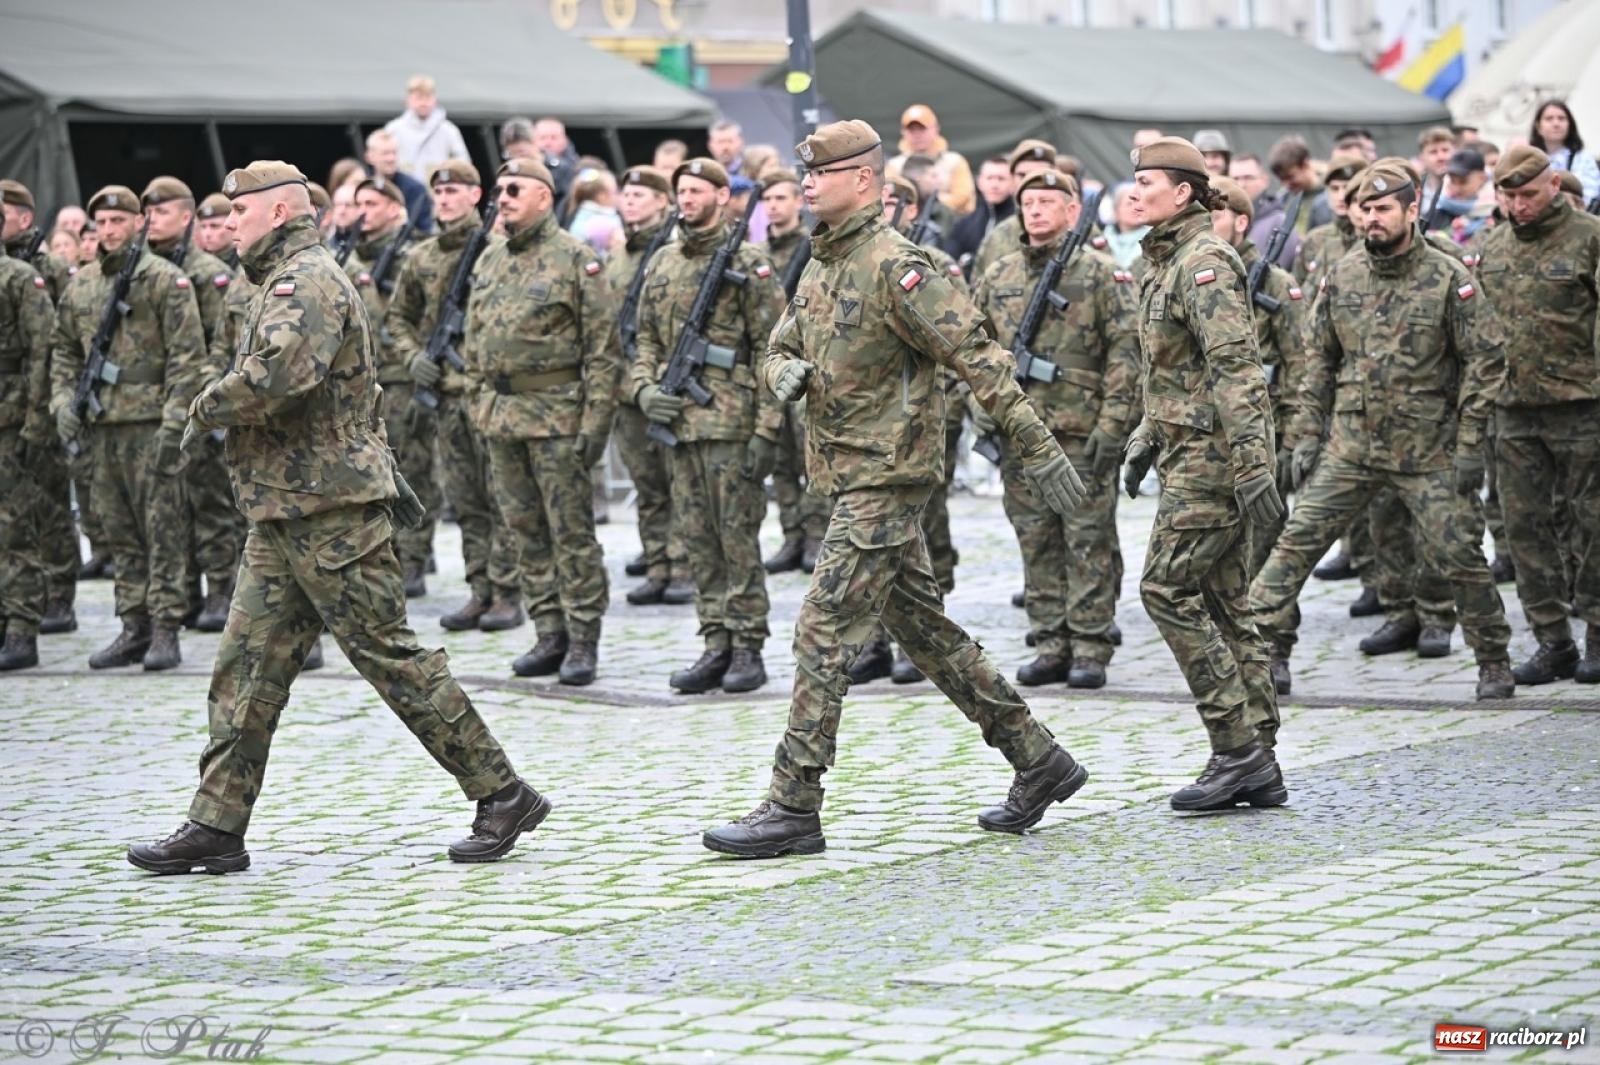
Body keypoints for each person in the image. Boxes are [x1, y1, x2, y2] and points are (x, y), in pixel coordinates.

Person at [124, 160, 547, 874]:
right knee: (245, 667)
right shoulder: (275, 280)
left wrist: (204, 405)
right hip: (283, 509)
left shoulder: (307, 281)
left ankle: (503, 792)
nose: (229, 223)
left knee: (391, 658)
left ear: (280, 211)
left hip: (331, 512)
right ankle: (216, 823)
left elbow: (277, 378)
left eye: (240, 211)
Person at [702, 119, 1091, 858]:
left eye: (820, 173)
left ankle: (793, 803)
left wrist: (1037, 445)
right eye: (804, 173)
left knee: (822, 626)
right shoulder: (820, 263)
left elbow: (977, 355)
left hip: (888, 475)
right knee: (924, 631)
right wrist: (780, 371)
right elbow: (779, 345)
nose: (806, 184)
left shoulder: (897, 264)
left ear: (863, 181)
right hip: (844, 473)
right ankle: (1039, 758)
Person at [1249, 160, 1517, 703]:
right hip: (1352, 446)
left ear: (1411, 209)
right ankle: (1267, 654)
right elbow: (1318, 361)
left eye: (1383, 208)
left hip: (1428, 449)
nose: (1371, 218)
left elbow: (1486, 360)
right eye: (1365, 209)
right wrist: (1306, 434)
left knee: (1460, 555)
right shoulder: (1343, 274)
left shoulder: (1448, 278)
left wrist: (1470, 443)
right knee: (1294, 546)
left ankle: (1493, 659)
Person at [1119, 137, 1285, 811]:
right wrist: (1144, 436)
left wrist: (1253, 463)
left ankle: (1237, 747)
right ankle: (1258, 756)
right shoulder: (1164, 261)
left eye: (1147, 183)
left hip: (1212, 461)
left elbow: (1236, 369)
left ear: (1183, 192)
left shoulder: (1204, 261)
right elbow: (1173, 373)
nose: (1135, 193)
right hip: (1185, 450)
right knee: (1223, 601)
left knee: (1164, 588)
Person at [973, 169, 1139, 690]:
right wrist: (980, 406)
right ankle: (1050, 642)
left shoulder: (1102, 274)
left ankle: (1090, 645)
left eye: (1048, 201)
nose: (1036, 210)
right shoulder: (998, 274)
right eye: (1029, 203)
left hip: (1080, 433)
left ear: (1072, 211)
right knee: (1036, 539)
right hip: (1021, 432)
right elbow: (971, 349)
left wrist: (1114, 424)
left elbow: (1127, 355)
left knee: (1088, 539)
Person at [631, 158, 783, 695]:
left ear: (722, 196)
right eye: (682, 190)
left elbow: (774, 349)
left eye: (698, 190)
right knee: (696, 537)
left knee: (736, 537)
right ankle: (715, 639)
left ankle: (747, 646)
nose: (688, 198)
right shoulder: (663, 260)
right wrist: (643, 389)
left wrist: (767, 429)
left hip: (731, 423)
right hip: (680, 422)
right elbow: (644, 338)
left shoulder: (750, 262)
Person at [465, 157, 618, 686]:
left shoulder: (576, 259)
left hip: (557, 418)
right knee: (524, 531)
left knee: (570, 532)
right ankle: (549, 629)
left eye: (514, 189)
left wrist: (594, 426)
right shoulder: (490, 258)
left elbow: (603, 351)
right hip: (501, 418)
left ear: (543, 197)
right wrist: (476, 399)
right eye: (499, 189)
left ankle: (583, 635)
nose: (502, 198)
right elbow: (474, 339)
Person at [50, 185, 207, 673]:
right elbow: (64, 351)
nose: (109, 230)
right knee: (117, 532)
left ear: (139, 222)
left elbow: (188, 360)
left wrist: (175, 423)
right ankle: (133, 624)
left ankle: (166, 627)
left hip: (152, 424)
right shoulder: (82, 285)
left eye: (119, 221)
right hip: (102, 427)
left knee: (162, 530)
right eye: (101, 223)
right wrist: (62, 401)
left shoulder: (165, 280)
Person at [1474, 146, 1600, 685]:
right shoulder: (1493, 245)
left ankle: (1598, 632)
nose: (1519, 206)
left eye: (1528, 194)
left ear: (1553, 185)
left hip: (1580, 406)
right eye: (1510, 197)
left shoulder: (1590, 237)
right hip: (1514, 411)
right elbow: (1480, 328)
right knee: (1523, 528)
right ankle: (1552, 641)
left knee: (1591, 522)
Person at [388, 160, 524, 634]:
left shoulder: (497, 250)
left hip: (488, 394)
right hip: (446, 397)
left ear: (475, 196)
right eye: (439, 193)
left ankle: (508, 591)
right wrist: (412, 358)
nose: (445, 200)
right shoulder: (421, 257)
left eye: (454, 191)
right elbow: (398, 318)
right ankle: (480, 588)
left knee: (501, 495)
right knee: (466, 500)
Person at [141, 177, 246, 634]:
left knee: (210, 502)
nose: (152, 220)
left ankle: (222, 587)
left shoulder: (208, 274)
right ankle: (184, 591)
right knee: (173, 508)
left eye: (161, 212)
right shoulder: (143, 269)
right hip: (157, 400)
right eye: (148, 212)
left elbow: (220, 342)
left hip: (199, 396)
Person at [1208, 176, 1310, 579]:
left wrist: (1293, 440)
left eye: (1214, 218)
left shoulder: (1277, 285)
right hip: (1206, 435)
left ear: (1241, 222)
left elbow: (1301, 365)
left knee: (1261, 554)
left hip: (1264, 433)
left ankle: (1270, 618)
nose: (1205, 227)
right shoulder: (1192, 277)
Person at [346, 174, 435, 599]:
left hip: (400, 376)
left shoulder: (409, 257)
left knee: (411, 469)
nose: (364, 212)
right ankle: (384, 556)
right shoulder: (349, 256)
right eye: (359, 203)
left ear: (396, 209)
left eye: (373, 203)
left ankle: (414, 558)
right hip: (364, 380)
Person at [606, 166, 692, 607]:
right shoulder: (618, 256)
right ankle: (657, 563)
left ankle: (683, 564)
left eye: (640, 194)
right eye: (626, 194)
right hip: (626, 387)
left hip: (666, 385)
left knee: (677, 481)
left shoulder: (676, 250)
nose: (630, 201)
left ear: (662, 202)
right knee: (646, 483)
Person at [3, 179, 81, 632]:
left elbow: (61, 338)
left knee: (49, 502)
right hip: (11, 406)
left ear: (24, 217)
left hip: (40, 401)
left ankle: (59, 593)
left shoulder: (47, 269)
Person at [759, 168, 828, 577]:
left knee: (808, 455)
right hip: (767, 364)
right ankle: (792, 534)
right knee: (781, 458)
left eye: (780, 198)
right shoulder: (755, 254)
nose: (773, 206)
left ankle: (817, 533)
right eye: (767, 199)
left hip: (804, 363)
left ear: (797, 203)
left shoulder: (813, 247)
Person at [0, 252, 56, 670]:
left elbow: (43, 351)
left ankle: (21, 625)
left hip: (10, 420)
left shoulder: (19, 278)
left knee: (14, 526)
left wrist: (36, 422)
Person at [971, 140, 1058, 281]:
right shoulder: (998, 235)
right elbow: (980, 287)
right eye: (1022, 175)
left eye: (1038, 175)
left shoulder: (1076, 227)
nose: (1029, 182)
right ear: (1012, 179)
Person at [890, 104, 975, 217]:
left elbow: (962, 198)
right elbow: (889, 199)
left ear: (936, 128)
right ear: (903, 132)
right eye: (912, 130)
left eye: (922, 129)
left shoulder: (955, 161)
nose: (917, 135)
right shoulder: (895, 165)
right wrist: (941, 197)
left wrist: (930, 201)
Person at [385, 75, 470, 182]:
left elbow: (463, 164)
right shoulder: (394, 129)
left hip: (437, 186)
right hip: (404, 186)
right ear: (408, 99)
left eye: (428, 97)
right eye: (418, 97)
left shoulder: (448, 130)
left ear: (435, 99)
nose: (423, 102)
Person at [945, 156, 1013, 268]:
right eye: (989, 178)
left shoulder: (1021, 223)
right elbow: (949, 261)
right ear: (979, 182)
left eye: (1001, 179)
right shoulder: (964, 225)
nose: (994, 185)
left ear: (1013, 183)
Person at [1529, 100, 1600, 204]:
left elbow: (1588, 196)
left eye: (1561, 118)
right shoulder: (1530, 159)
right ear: (1538, 127)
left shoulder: (1583, 159)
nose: (1556, 123)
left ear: (1570, 125)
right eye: (1549, 119)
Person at [365, 129, 434, 234]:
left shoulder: (415, 189)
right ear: (370, 157)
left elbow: (425, 231)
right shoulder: (361, 187)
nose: (391, 158)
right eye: (385, 153)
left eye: (394, 153)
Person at [565, 167, 623, 255]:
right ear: (602, 196)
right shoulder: (602, 223)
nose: (619, 195)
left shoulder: (580, 216)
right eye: (615, 192)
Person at [534, 117, 581, 202]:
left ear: (564, 141)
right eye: (542, 138)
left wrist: (552, 161)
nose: (547, 143)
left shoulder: (576, 166)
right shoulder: (525, 163)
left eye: (553, 138)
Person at [195, 192, 238, 267]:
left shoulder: (245, 262)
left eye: (214, 226)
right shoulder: (197, 262)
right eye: (203, 227)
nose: (207, 234)